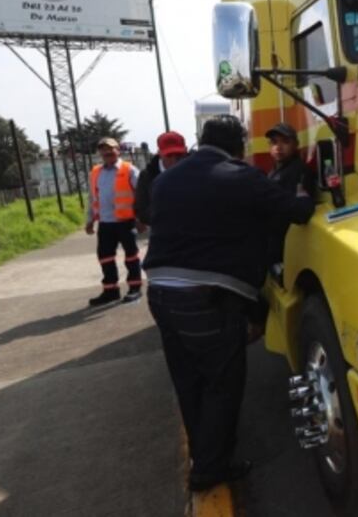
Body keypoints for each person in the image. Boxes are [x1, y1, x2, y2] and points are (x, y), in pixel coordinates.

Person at [143, 115, 315, 492]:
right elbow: (296, 212)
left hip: (159, 292)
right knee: (223, 382)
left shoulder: (166, 179)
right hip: (207, 297)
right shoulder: (241, 176)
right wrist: (304, 194)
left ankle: (203, 456)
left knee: (188, 379)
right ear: (238, 144)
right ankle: (210, 468)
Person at [85, 137, 142, 306]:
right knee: (105, 257)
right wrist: (90, 220)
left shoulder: (129, 169)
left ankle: (135, 288)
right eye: (103, 149)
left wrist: (140, 218)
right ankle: (111, 291)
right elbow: (92, 198)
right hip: (106, 223)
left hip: (126, 221)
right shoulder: (95, 172)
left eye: (110, 149)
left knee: (131, 256)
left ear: (118, 150)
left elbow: (141, 194)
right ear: (100, 153)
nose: (107, 152)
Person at [264, 123, 308, 269]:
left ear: (296, 144)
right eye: (274, 142)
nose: (278, 147)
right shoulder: (274, 171)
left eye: (285, 142)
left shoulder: (298, 171)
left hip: (285, 242)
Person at [135, 130, 188, 230]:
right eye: (169, 155)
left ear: (186, 150)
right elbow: (141, 210)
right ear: (159, 153)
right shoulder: (147, 176)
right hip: (163, 235)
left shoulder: (196, 172)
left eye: (178, 155)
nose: (174, 160)